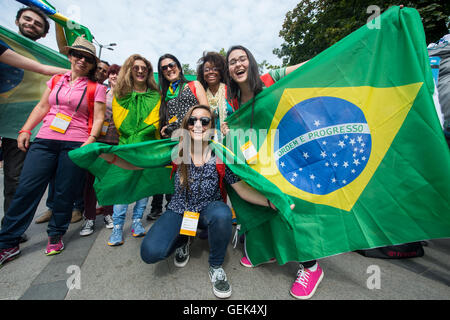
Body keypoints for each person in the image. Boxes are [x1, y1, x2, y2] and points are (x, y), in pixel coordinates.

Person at [99, 104, 293, 299]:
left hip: (210, 210)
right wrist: (110, 157)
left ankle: (216, 266)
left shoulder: (221, 155)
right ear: (186, 125)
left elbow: (242, 190)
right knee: (150, 253)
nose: (198, 124)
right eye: (192, 120)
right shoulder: (176, 151)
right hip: (179, 210)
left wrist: (270, 202)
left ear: (211, 126)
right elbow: (139, 163)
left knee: (222, 214)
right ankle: (184, 239)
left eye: (204, 120)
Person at [224, 45, 320, 300]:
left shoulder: (271, 78)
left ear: (251, 62)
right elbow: (237, 132)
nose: (237, 64)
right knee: (262, 203)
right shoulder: (231, 101)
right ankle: (265, 250)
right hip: (258, 161)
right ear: (229, 71)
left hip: (289, 153)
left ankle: (311, 266)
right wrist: (226, 129)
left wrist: (343, 46)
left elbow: (310, 65)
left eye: (242, 58)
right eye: (232, 62)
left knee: (288, 207)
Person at [0, 36, 106, 266]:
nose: (82, 60)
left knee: (64, 192)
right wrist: (26, 129)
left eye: (88, 58)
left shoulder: (96, 88)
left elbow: (98, 118)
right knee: (26, 189)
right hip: (45, 139)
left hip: (75, 143)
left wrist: (90, 140)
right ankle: (8, 242)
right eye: (78, 55)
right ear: (70, 56)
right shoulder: (56, 80)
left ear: (92, 64)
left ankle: (56, 234)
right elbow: (42, 106)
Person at [1, 7, 68, 243]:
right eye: (27, 19)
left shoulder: (46, 56)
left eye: (38, 23)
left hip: (37, 128)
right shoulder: (4, 42)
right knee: (16, 178)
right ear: (17, 20)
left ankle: (18, 227)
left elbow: (63, 53)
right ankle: (11, 232)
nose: (31, 24)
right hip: (13, 124)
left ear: (43, 33)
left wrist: (59, 21)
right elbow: (42, 70)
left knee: (32, 178)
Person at [145, 54, 208, 221]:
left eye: (171, 65)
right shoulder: (165, 94)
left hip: (197, 146)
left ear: (179, 67)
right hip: (176, 147)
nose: (168, 69)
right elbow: (166, 120)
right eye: (164, 68)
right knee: (180, 191)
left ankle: (197, 228)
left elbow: (207, 113)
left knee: (197, 189)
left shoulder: (194, 85)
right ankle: (183, 236)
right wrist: (166, 129)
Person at [107, 54, 161, 246]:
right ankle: (117, 227)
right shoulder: (119, 93)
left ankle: (137, 221)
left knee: (143, 187)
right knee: (124, 187)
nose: (140, 71)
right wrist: (134, 139)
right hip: (126, 147)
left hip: (146, 148)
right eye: (136, 67)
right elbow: (120, 122)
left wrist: (141, 139)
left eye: (144, 68)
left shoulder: (155, 95)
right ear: (129, 70)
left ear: (148, 72)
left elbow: (154, 121)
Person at [79, 64, 120, 236]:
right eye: (112, 74)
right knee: (91, 182)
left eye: (118, 74)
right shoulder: (100, 91)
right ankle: (89, 217)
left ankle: (108, 213)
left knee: (109, 181)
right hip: (96, 142)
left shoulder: (126, 96)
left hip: (114, 143)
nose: (114, 76)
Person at [196, 51, 232, 133]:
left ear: (221, 73)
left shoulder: (231, 91)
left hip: (230, 139)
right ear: (203, 75)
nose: (210, 72)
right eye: (207, 70)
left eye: (215, 69)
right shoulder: (200, 95)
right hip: (207, 142)